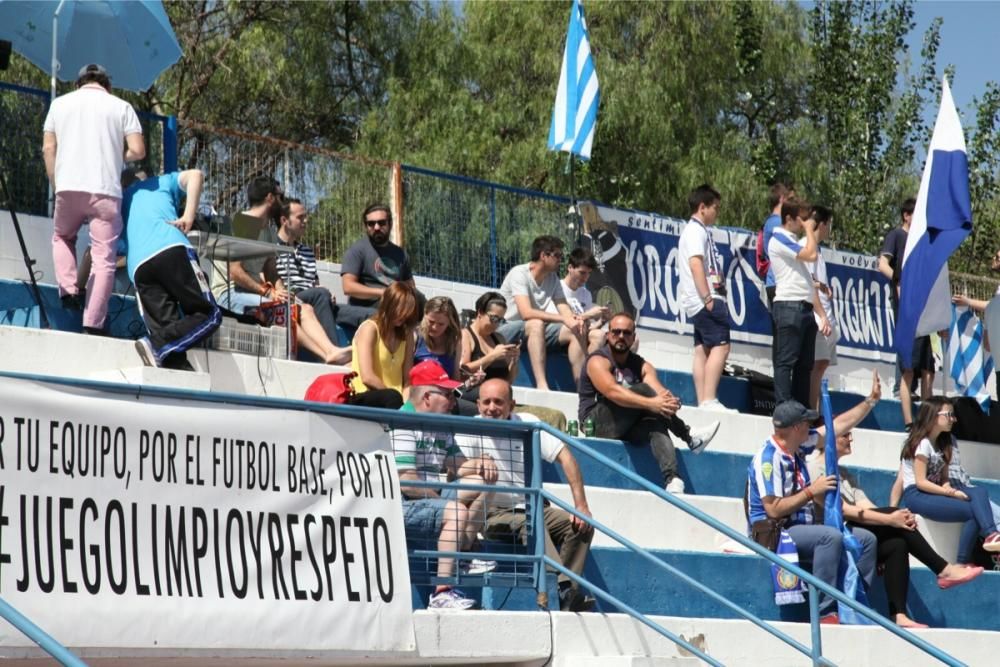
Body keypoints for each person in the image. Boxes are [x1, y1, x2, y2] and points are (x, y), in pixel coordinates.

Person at [806, 378, 983, 629]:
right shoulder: (816, 467)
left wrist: (895, 516)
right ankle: (943, 569)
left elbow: (866, 505)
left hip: (853, 529)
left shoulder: (844, 473)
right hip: (834, 532)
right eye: (846, 435)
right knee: (893, 519)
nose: (851, 439)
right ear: (831, 440)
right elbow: (844, 511)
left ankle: (898, 614)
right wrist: (891, 518)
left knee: (897, 543)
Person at [455, 378, 596, 612]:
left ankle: (569, 595)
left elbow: (567, 458)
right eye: (486, 402)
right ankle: (562, 588)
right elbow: (454, 468)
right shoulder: (470, 429)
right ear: (478, 405)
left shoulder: (529, 423)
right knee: (534, 523)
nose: (492, 408)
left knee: (581, 525)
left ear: (512, 404)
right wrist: (477, 463)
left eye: (498, 402)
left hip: (532, 506)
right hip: (491, 512)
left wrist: (581, 506)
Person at [746, 393, 883, 625]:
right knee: (829, 537)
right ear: (797, 427)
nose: (812, 426)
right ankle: (826, 612)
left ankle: (853, 605)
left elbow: (836, 427)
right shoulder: (768, 459)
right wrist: (812, 491)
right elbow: (774, 509)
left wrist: (870, 401)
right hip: (776, 531)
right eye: (808, 422)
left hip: (804, 526)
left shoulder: (798, 443)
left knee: (866, 540)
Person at [43, 63, 145, 335]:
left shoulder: (59, 104)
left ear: (78, 84)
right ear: (107, 85)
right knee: (104, 257)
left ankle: (67, 291)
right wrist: (115, 155)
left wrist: (56, 182)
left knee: (63, 237)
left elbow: (48, 148)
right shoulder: (122, 107)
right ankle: (93, 323)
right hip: (106, 190)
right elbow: (138, 150)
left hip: (68, 187)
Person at [394, 363, 499, 610]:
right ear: (428, 397)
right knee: (456, 511)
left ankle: (462, 550)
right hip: (403, 503)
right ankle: (442, 593)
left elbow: (459, 466)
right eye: (448, 394)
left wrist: (482, 462)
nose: (454, 401)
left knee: (485, 480)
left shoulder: (440, 424)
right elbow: (406, 482)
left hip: (429, 498)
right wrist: (444, 503)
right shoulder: (402, 421)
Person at [578, 312, 719, 494]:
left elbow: (657, 391)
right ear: (608, 335)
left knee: (654, 423)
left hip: (626, 426)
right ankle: (688, 435)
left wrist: (668, 401)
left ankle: (672, 480)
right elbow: (612, 392)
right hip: (595, 425)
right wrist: (653, 403)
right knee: (644, 392)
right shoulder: (598, 360)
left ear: (634, 337)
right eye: (616, 332)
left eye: (627, 333)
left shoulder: (640, 364)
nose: (621, 336)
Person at [122, 168, 221, 371]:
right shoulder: (162, 182)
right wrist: (188, 216)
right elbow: (196, 175)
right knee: (209, 314)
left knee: (169, 343)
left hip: (139, 268)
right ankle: (154, 343)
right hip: (170, 247)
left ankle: (176, 371)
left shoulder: (122, 201)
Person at [897, 396, 1000, 560]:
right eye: (949, 415)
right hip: (917, 495)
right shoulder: (922, 443)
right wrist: (951, 494)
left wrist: (948, 487)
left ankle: (991, 535)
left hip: (934, 492)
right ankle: (962, 561)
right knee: (973, 512)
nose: (954, 419)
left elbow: (944, 477)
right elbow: (921, 482)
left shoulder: (944, 442)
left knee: (979, 491)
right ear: (933, 415)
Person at [497, 235, 588, 391]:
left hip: (532, 330)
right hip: (505, 329)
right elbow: (526, 313)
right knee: (536, 323)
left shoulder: (553, 278)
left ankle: (582, 388)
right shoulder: (519, 273)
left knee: (575, 330)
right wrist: (563, 318)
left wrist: (574, 320)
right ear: (543, 255)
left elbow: (563, 306)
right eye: (557, 255)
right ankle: (542, 386)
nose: (561, 260)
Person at [878, 198, 934, 425]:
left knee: (926, 362)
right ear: (906, 215)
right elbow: (882, 264)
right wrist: (900, 281)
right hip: (903, 302)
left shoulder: (921, 240)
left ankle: (925, 411)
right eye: (915, 213)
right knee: (906, 353)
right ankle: (902, 394)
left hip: (922, 306)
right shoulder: (896, 236)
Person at [677, 184, 731, 410]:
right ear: (702, 207)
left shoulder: (695, 231)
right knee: (722, 346)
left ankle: (703, 400)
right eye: (715, 208)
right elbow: (696, 263)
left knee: (702, 349)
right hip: (704, 300)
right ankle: (709, 399)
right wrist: (708, 297)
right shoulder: (695, 231)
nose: (716, 213)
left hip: (696, 301)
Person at [768, 197, 820, 405]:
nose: (804, 223)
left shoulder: (789, 238)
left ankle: (800, 407)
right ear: (789, 218)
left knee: (804, 365)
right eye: (802, 219)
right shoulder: (779, 238)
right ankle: (783, 405)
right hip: (789, 304)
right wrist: (809, 230)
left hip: (804, 306)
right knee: (786, 361)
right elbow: (810, 254)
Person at [272, 197, 340, 345]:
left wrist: (325, 292)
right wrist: (320, 292)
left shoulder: (307, 251)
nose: (306, 221)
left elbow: (315, 284)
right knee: (321, 294)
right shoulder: (271, 247)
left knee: (365, 314)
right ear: (284, 220)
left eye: (306, 216)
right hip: (291, 297)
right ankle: (335, 354)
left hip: (314, 297)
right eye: (300, 217)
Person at [338, 203, 416, 329]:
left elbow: (411, 286)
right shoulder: (357, 250)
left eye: (381, 223)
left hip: (397, 301)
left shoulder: (400, 254)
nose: (376, 227)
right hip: (369, 305)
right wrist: (382, 293)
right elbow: (348, 287)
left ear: (390, 224)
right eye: (371, 224)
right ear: (366, 226)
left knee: (425, 303)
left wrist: (401, 294)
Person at [214, 175, 284, 313]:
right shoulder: (244, 222)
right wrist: (267, 292)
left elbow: (271, 270)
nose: (283, 203)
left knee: (302, 310)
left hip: (255, 293)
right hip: (229, 293)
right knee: (278, 310)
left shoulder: (269, 232)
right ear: (270, 198)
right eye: (280, 197)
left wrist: (281, 292)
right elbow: (235, 272)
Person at [347, 281, 421, 409]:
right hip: (365, 394)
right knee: (392, 397)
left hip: (394, 399)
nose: (405, 314)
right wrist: (397, 400)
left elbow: (407, 380)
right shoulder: (370, 329)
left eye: (408, 310)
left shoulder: (407, 335)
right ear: (389, 304)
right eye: (401, 308)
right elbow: (367, 377)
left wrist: (404, 402)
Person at [415, 296, 484, 416]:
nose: (435, 327)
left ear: (449, 323)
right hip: (421, 394)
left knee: (483, 406)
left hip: (445, 396)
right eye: (431, 322)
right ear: (425, 314)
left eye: (441, 324)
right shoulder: (415, 337)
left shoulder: (454, 342)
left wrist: (469, 382)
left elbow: (455, 380)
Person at [460, 291, 520, 400]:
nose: (496, 324)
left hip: (498, 396)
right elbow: (463, 371)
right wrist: (492, 356)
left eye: (501, 320)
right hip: (474, 395)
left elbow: (508, 381)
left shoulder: (499, 338)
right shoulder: (466, 336)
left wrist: (514, 361)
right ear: (480, 313)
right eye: (494, 318)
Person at [807, 206, 838, 410]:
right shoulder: (806, 247)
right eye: (829, 225)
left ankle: (815, 408)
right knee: (817, 364)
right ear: (823, 223)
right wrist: (821, 316)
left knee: (823, 363)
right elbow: (807, 283)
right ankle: (811, 409)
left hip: (825, 314)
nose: (829, 230)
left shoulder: (819, 251)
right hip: (817, 317)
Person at [549, 247, 609, 353]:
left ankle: (590, 366)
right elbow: (559, 321)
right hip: (562, 333)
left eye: (589, 273)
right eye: (582, 272)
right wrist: (588, 315)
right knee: (596, 335)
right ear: (570, 268)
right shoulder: (557, 288)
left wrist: (602, 321)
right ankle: (587, 367)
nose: (586, 277)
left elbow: (589, 327)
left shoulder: (586, 294)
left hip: (581, 332)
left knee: (625, 340)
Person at [759, 183, 794, 311]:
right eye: (789, 200)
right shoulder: (777, 223)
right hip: (778, 282)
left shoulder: (769, 222)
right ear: (781, 199)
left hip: (774, 281)